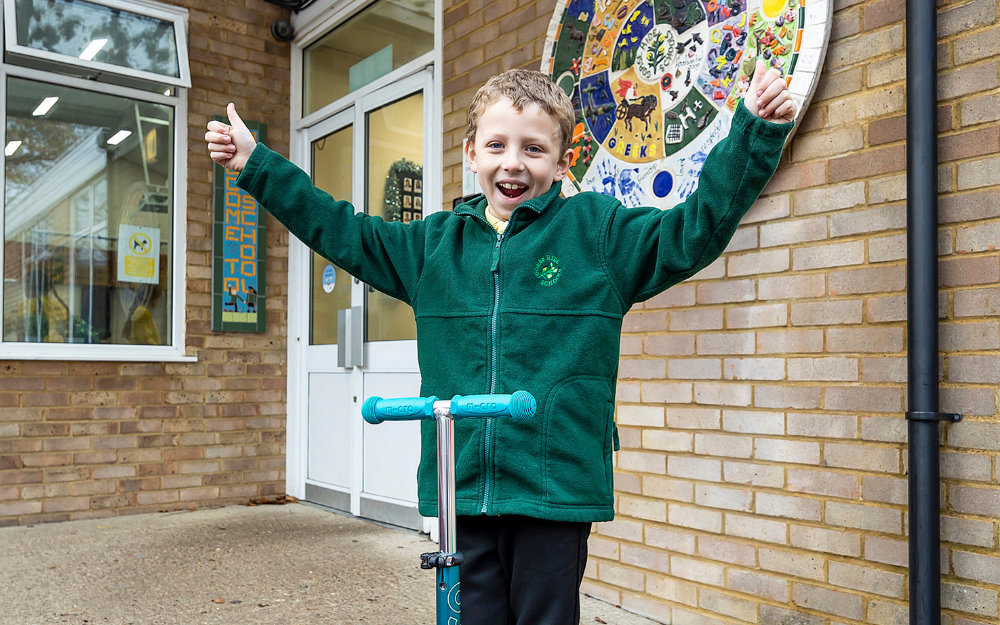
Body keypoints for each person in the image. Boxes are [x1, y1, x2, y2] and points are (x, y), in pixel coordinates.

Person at [205, 62, 795, 625]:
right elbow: (340, 229)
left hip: (552, 484)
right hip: (462, 486)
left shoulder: (599, 233)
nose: (514, 164)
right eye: (497, 145)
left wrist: (754, 132)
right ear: (471, 154)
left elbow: (694, 229)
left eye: (534, 149)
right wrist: (258, 165)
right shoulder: (433, 247)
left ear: (564, 162)